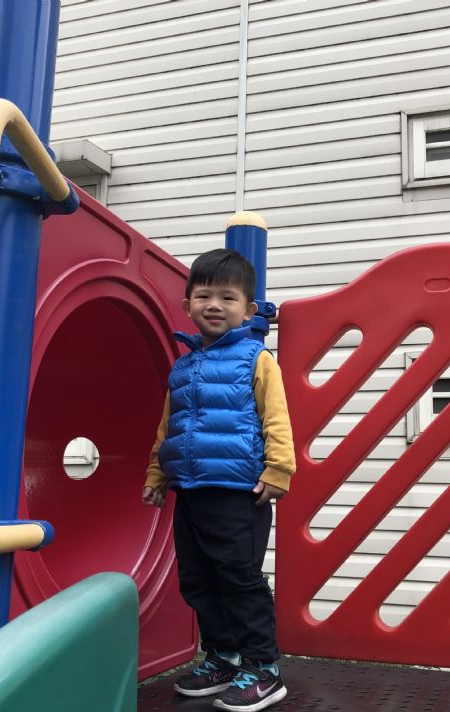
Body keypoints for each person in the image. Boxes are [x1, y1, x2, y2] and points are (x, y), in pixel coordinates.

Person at [143, 248, 295, 711]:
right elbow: (169, 426)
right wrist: (157, 473)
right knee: (197, 579)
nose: (214, 305)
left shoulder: (255, 358)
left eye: (227, 298)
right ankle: (224, 657)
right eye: (204, 296)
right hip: (190, 490)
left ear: (248, 310)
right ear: (187, 305)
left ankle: (263, 667)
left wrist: (279, 469)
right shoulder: (183, 366)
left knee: (239, 578)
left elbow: (276, 417)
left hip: (237, 493)